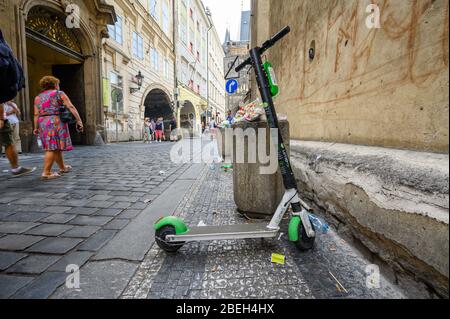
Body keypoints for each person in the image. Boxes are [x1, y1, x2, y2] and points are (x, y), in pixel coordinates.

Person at [33, 76, 84, 180]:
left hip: (43, 122)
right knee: (51, 148)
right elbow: (70, 106)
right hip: (55, 121)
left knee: (54, 146)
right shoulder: (59, 93)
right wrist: (79, 120)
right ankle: (46, 172)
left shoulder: (38, 97)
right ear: (55, 84)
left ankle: (62, 168)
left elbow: (35, 114)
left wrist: (36, 127)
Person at [0, 103, 35, 177]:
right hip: (3, 120)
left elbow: (18, 112)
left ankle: (16, 167)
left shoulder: (13, 104)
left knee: (13, 140)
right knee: (8, 142)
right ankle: (16, 168)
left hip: (12, 121)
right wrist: (1, 118)